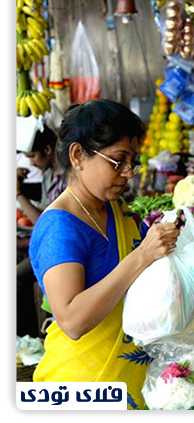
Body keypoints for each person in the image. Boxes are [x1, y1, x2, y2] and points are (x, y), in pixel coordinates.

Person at [29, 100, 180, 410]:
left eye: (133, 161)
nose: (128, 173)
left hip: (133, 383)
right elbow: (72, 320)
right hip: (81, 390)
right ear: (77, 155)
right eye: (117, 160)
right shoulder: (60, 227)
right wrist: (142, 256)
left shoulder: (118, 211)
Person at [16, 125, 65, 338]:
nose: (31, 162)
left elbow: (45, 221)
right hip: (47, 241)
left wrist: (18, 193)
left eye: (33, 156)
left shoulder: (65, 178)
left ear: (48, 150)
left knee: (16, 277)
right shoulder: (47, 175)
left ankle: (30, 335)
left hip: (59, 246)